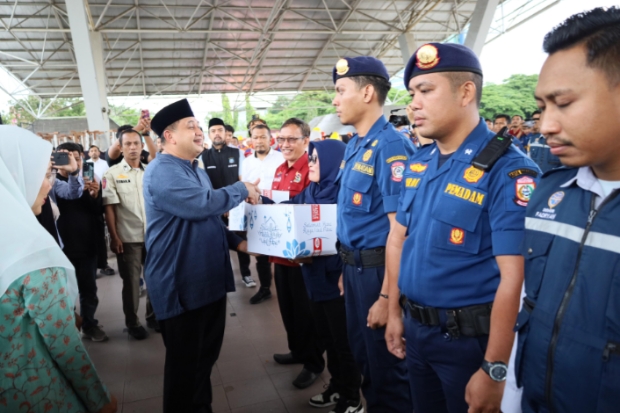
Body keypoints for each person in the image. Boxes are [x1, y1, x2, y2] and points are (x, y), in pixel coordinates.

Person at [384, 42, 541, 413]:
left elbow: (514, 278)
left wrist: (494, 368)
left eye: (425, 91)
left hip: (468, 343)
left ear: (466, 92)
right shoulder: (420, 162)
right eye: (411, 94)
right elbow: (398, 240)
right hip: (416, 332)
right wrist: (393, 312)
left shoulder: (508, 169)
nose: (414, 104)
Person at [516, 7, 620, 413]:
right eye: (543, 106)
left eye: (563, 103)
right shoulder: (549, 193)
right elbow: (531, 308)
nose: (545, 125)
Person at [143, 99, 260, 413]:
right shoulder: (162, 171)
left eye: (198, 125)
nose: (199, 131)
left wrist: (241, 245)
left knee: (203, 361)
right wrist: (241, 188)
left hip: (207, 283)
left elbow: (208, 218)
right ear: (169, 136)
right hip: (181, 285)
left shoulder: (195, 168)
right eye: (190, 126)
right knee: (185, 368)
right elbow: (202, 205)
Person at [0, 126, 117, 413]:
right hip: (39, 392)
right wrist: (100, 401)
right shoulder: (34, 252)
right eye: (43, 175)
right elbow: (63, 344)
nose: (49, 185)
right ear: (17, 178)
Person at [332, 56, 415, 412]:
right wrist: (345, 268)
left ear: (367, 93)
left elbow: (402, 231)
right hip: (355, 271)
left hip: (380, 275)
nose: (334, 100)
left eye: (340, 90)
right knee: (365, 361)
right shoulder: (355, 144)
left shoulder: (392, 147)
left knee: (387, 372)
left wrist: (387, 298)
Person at [266, 139, 363, 413]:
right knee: (327, 338)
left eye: (316, 159)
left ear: (333, 162)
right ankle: (336, 386)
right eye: (309, 159)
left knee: (343, 343)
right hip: (313, 278)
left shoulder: (344, 195)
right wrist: (257, 202)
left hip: (336, 281)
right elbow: (289, 208)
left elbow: (352, 239)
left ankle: (352, 398)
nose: (310, 164)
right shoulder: (312, 190)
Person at [270, 117, 325, 389]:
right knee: (288, 311)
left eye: (292, 139)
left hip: (303, 258)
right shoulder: (280, 170)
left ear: (306, 141)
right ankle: (298, 351)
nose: (285, 144)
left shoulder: (312, 168)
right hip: (281, 254)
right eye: (282, 139)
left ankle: (314, 363)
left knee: (306, 315)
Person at [103, 128, 158, 339]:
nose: (133, 147)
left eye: (136, 143)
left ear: (142, 146)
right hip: (128, 239)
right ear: (121, 147)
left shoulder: (150, 172)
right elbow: (109, 207)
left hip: (153, 237)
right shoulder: (112, 174)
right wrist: (114, 237)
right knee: (132, 284)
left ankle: (153, 317)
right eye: (128, 144)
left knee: (155, 280)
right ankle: (132, 323)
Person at [54, 142, 108, 342]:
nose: (72, 162)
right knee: (64, 290)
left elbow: (97, 211)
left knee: (88, 288)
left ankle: (89, 324)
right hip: (62, 245)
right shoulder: (50, 182)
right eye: (65, 157)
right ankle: (69, 325)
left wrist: (95, 195)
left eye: (76, 157)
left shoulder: (89, 177)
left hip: (87, 242)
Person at [202, 118, 256, 288]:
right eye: (213, 131)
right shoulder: (203, 157)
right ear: (209, 134)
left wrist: (233, 205)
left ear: (225, 133)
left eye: (220, 130)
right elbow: (206, 187)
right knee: (216, 241)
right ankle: (219, 277)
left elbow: (241, 180)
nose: (217, 133)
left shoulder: (237, 153)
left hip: (236, 206)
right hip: (215, 208)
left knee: (240, 239)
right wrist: (220, 206)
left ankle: (246, 274)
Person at [240, 122, 283, 304]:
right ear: (251, 140)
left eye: (262, 137)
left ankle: (285, 288)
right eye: (255, 137)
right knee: (261, 253)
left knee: (283, 252)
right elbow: (244, 186)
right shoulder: (247, 162)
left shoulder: (281, 158)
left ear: (270, 139)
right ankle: (265, 288)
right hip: (257, 212)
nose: (259, 141)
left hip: (279, 210)